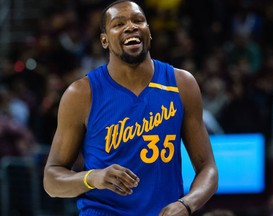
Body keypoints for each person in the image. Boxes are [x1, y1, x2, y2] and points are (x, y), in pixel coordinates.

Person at [43, 1, 218, 215]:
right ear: (104, 40)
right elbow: (51, 180)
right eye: (118, 24)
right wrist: (92, 177)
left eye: (138, 20)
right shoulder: (81, 94)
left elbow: (208, 169)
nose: (131, 27)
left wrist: (186, 204)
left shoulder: (182, 84)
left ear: (149, 32)